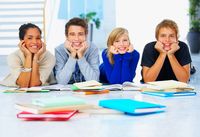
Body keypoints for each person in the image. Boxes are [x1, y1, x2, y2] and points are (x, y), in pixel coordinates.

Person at [0, 23, 56, 87]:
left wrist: (36, 57)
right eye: (30, 38)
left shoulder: (49, 57)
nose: (35, 42)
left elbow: (34, 84)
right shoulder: (13, 57)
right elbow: (23, 84)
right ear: (22, 41)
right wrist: (28, 56)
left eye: (38, 38)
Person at [54, 17, 100, 84]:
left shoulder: (93, 49)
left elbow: (94, 81)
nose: (76, 38)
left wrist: (81, 56)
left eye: (80, 34)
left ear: (86, 35)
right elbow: (61, 82)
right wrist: (72, 55)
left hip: (87, 91)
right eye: (72, 34)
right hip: (67, 92)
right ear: (66, 36)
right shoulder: (59, 50)